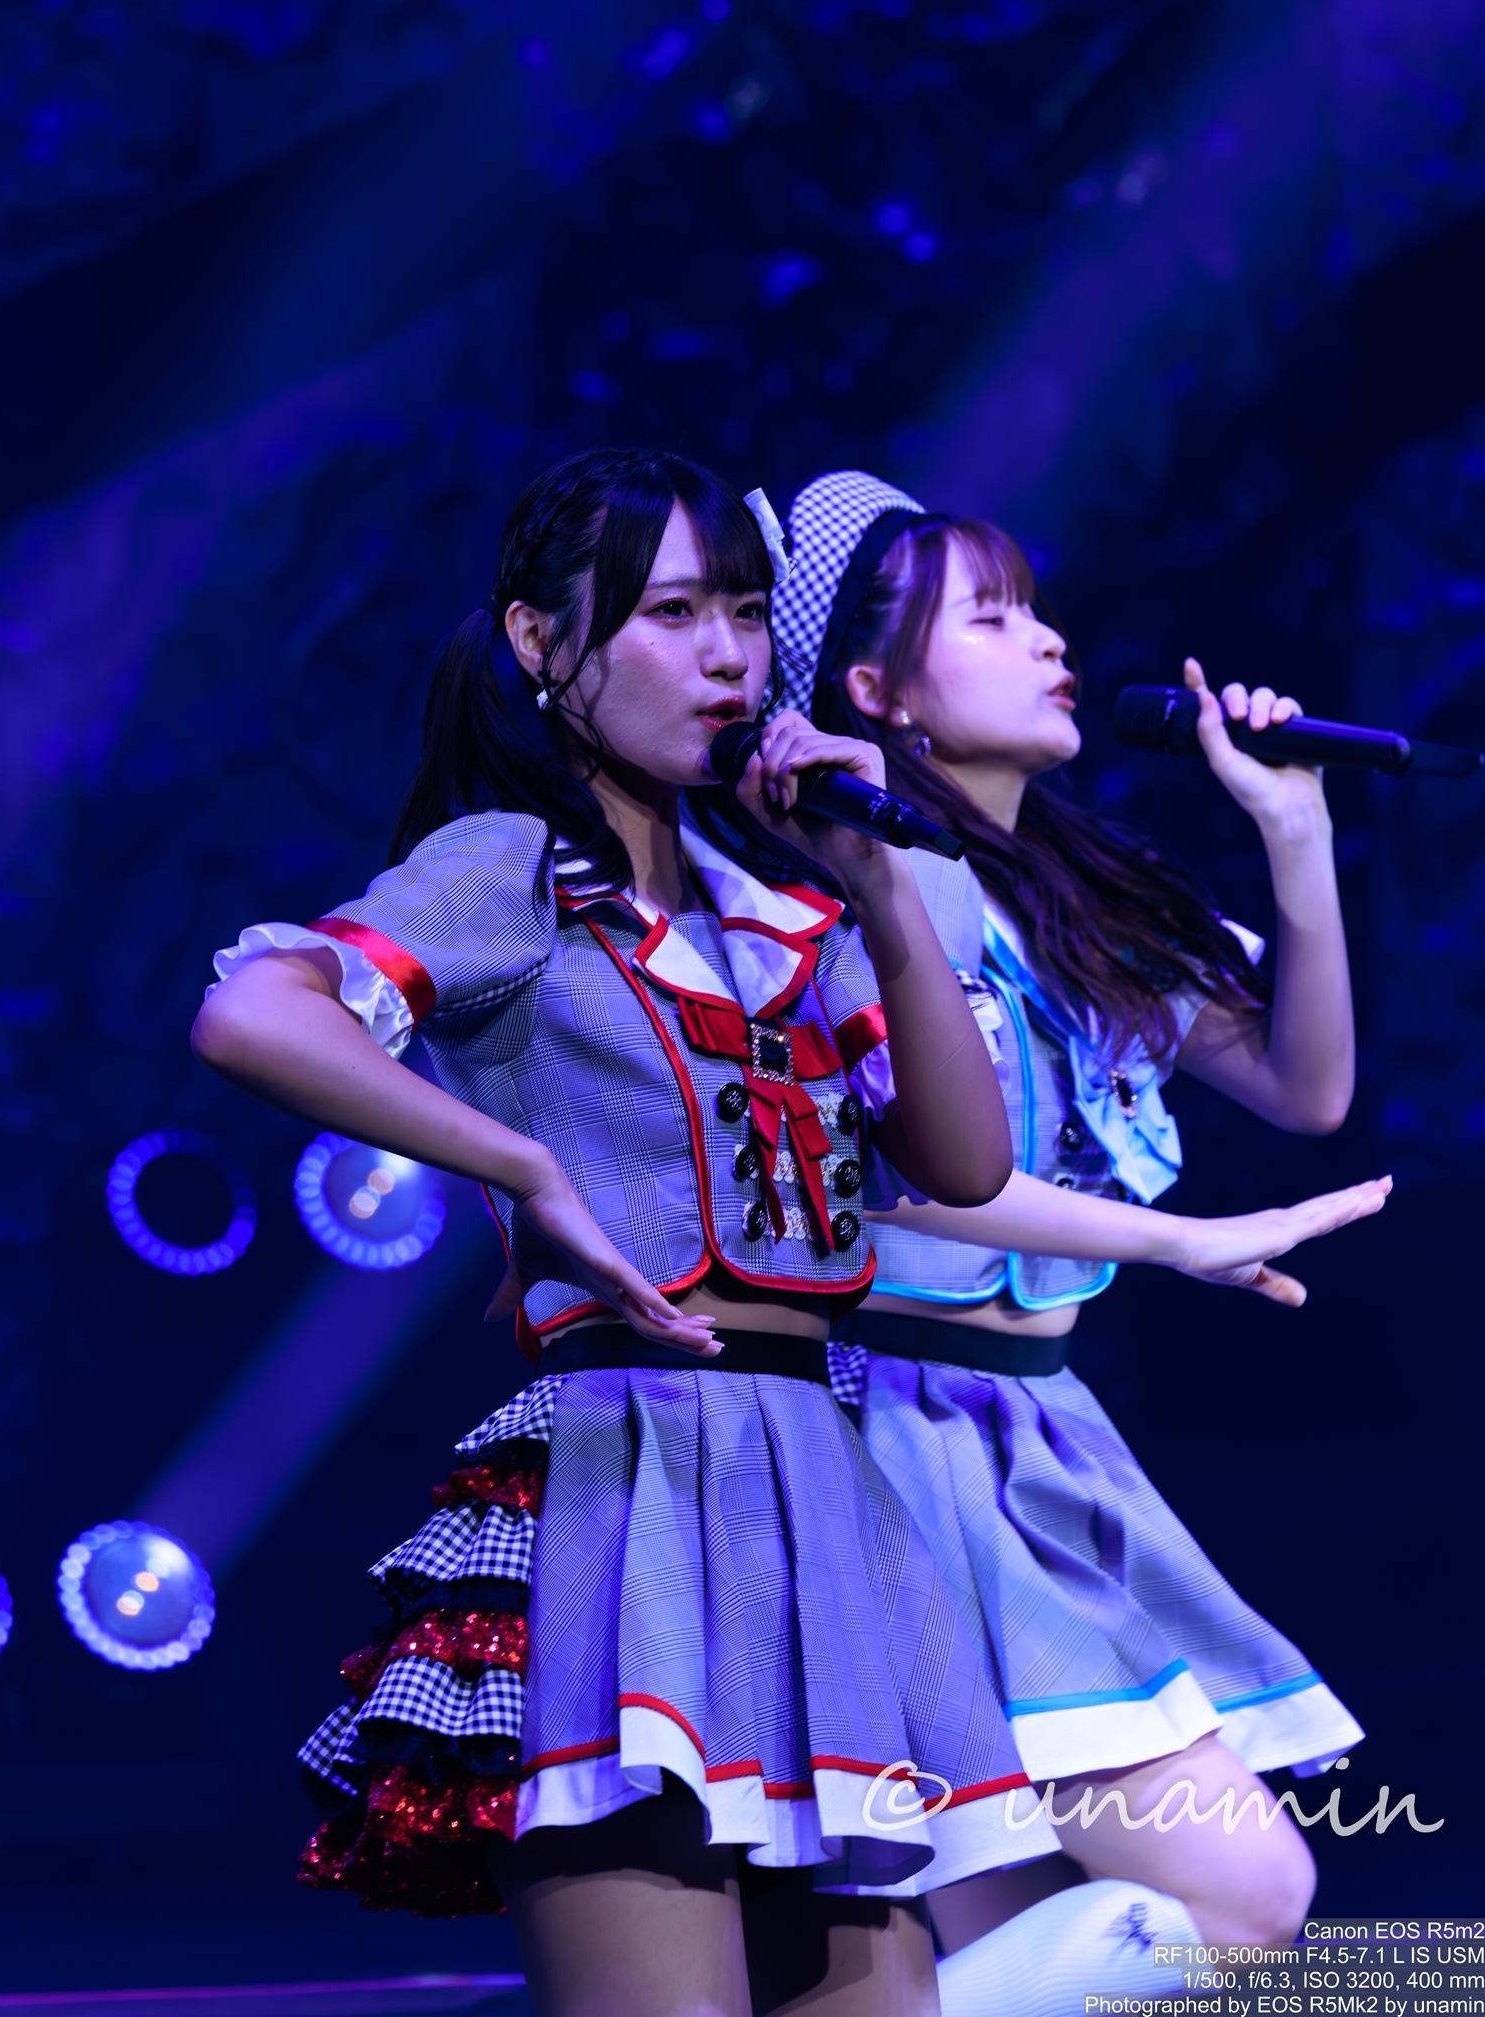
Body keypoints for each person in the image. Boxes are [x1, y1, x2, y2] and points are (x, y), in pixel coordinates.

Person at [191, 449, 1065, 2017]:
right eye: (669, 615)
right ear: (540, 643)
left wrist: (877, 891)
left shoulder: (787, 913)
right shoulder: (512, 869)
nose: (727, 657)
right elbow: (253, 1013)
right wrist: (519, 1166)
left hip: (819, 1491)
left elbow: (963, 1156)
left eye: (743, 612)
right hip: (629, 1486)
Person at [771, 471, 1387, 1996]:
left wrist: (1292, 831)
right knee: (1245, 1893)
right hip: (885, 1439)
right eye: (989, 619)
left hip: (1031, 1434)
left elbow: (1304, 1087)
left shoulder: (1074, 894)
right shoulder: (857, 886)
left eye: (1035, 612)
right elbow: (904, 1171)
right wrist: (1177, 1241)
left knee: (1039, 1931)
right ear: (872, 692)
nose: (1048, 643)